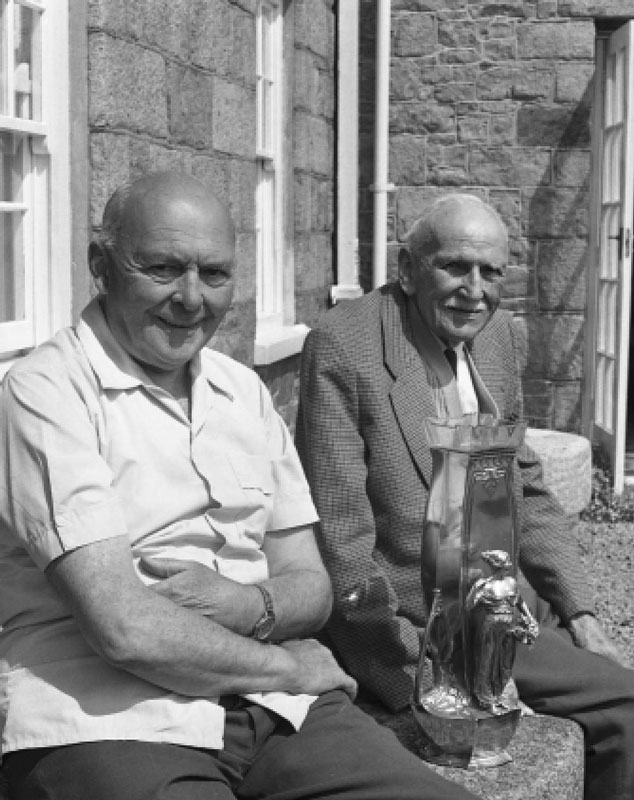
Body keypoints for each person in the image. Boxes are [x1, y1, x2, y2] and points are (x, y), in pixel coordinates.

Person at [0, 174, 479, 800]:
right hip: (104, 718)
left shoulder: (242, 391)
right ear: (101, 265)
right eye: (163, 268)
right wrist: (286, 664)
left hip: (274, 711)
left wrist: (250, 606)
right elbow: (123, 628)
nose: (190, 298)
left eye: (215, 274)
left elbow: (312, 586)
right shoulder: (44, 391)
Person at [297, 193, 634, 800]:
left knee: (623, 701)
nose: (474, 290)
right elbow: (341, 548)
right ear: (407, 269)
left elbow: (525, 484)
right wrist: (431, 684)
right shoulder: (343, 344)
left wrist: (581, 614)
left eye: (491, 272)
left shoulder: (496, 335)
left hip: (499, 609)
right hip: (413, 627)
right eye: (454, 266)